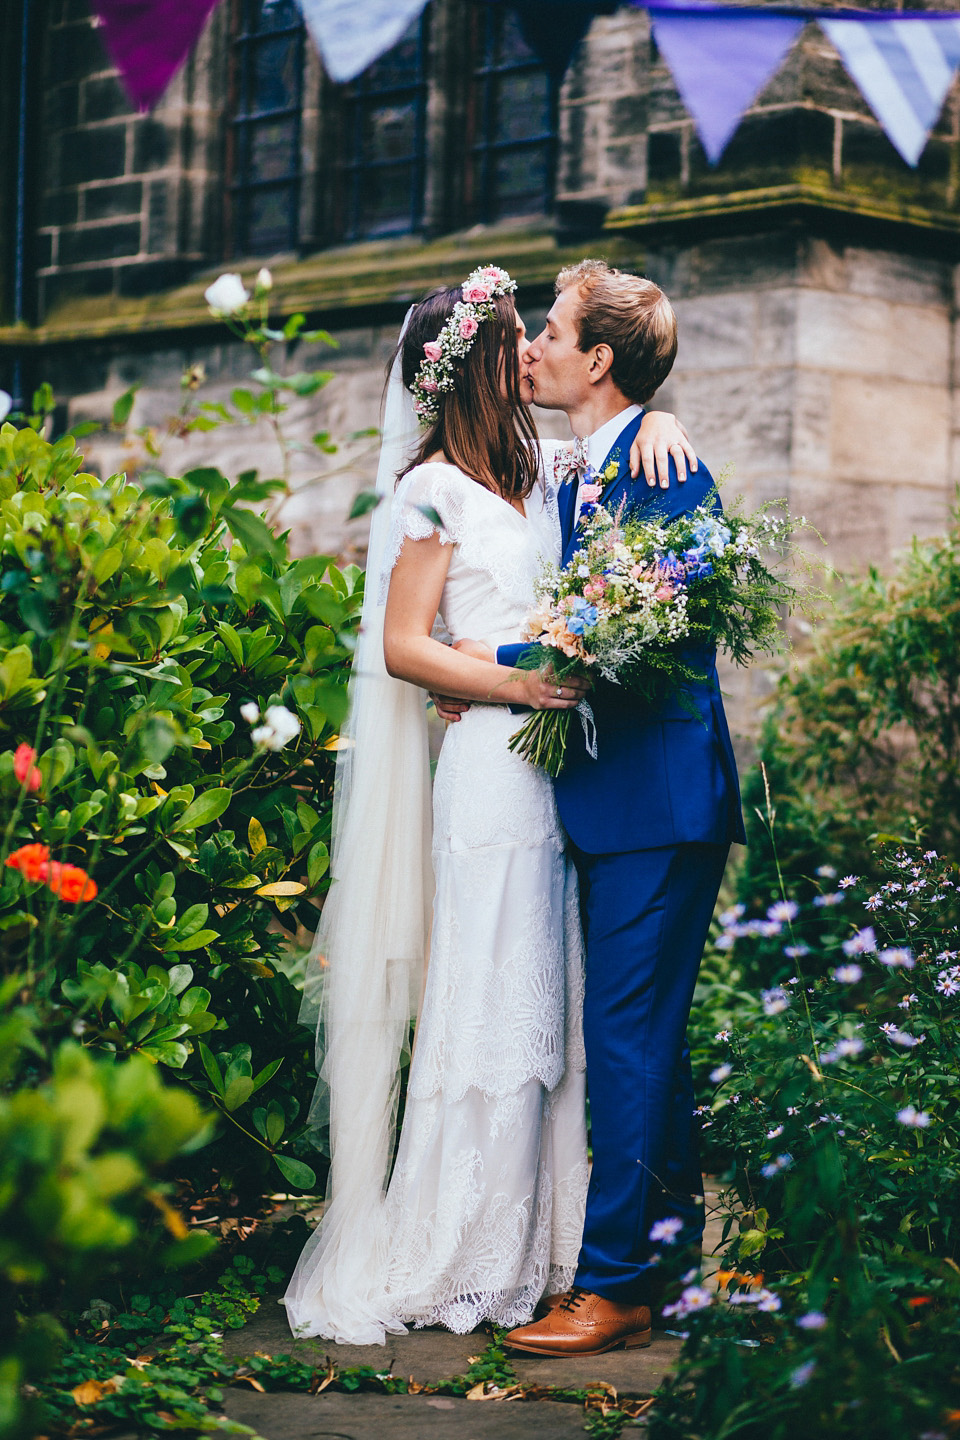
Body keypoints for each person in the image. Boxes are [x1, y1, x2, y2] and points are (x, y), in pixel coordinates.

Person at [283, 266, 694, 1346]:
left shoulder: (546, 471)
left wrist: (667, 422)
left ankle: (555, 1251)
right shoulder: (432, 488)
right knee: (490, 1002)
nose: (529, 352)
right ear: (469, 363)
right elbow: (402, 645)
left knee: (552, 1006)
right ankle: (465, 1249)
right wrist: (513, 684)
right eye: (514, 337)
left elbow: (624, 440)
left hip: (565, 780)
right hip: (491, 773)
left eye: (536, 334)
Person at [448, 260, 746, 1358]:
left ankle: (612, 1285)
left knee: (623, 1043)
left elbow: (642, 633)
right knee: (647, 1043)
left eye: (555, 332)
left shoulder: (665, 472)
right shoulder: (592, 463)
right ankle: (664, 1268)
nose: (537, 348)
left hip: (656, 799)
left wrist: (488, 659)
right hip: (620, 798)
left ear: (600, 360)